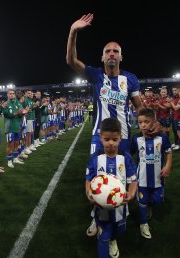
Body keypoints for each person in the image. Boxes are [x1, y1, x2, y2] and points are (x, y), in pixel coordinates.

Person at [67, 13, 143, 237]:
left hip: (124, 138)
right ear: (102, 58)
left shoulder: (130, 79)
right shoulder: (96, 75)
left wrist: (150, 125)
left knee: (120, 178)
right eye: (108, 51)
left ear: (121, 57)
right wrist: (73, 31)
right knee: (98, 180)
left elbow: (139, 106)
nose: (112, 53)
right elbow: (71, 61)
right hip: (99, 137)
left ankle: (119, 215)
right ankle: (96, 217)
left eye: (115, 51)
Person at [85, 118, 137, 258]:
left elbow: (133, 180)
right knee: (104, 234)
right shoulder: (96, 158)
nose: (111, 143)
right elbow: (88, 179)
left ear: (120, 138)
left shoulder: (125, 157)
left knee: (117, 230)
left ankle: (113, 239)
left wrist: (132, 193)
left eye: (115, 139)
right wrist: (89, 193)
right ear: (100, 138)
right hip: (101, 207)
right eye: (106, 139)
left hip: (120, 205)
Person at [131, 108, 172, 239]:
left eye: (146, 122)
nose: (143, 125)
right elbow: (129, 154)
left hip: (158, 178)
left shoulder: (162, 137)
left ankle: (150, 206)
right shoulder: (136, 138)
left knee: (158, 200)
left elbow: (168, 152)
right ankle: (143, 224)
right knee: (142, 201)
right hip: (141, 178)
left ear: (153, 122)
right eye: (140, 122)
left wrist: (168, 166)